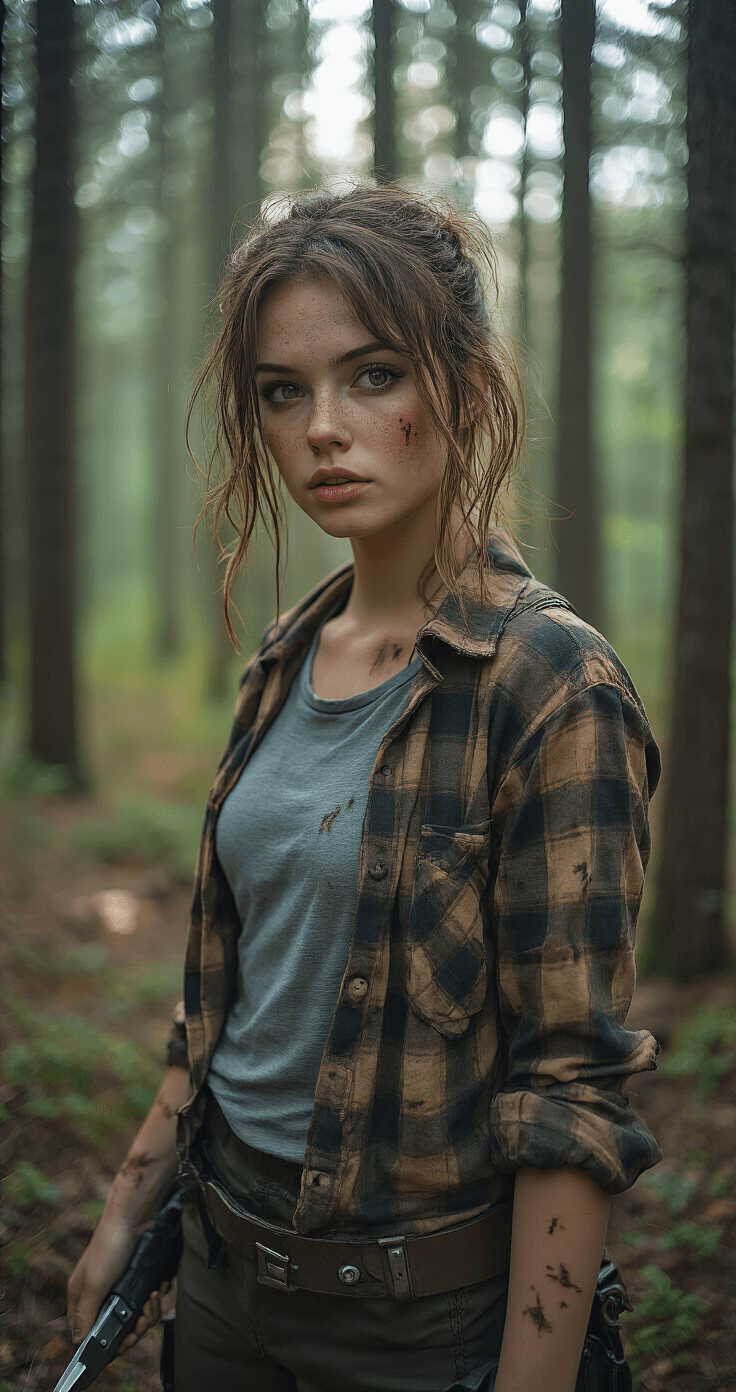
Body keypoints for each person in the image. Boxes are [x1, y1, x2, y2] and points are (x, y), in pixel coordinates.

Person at [67, 185, 662, 1392]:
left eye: (373, 375)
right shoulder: (284, 657)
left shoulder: (551, 685)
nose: (323, 428)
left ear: (466, 385)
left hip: (417, 1328)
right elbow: (227, 994)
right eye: (283, 391)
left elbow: (570, 1090)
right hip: (220, 1284)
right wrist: (127, 1207)